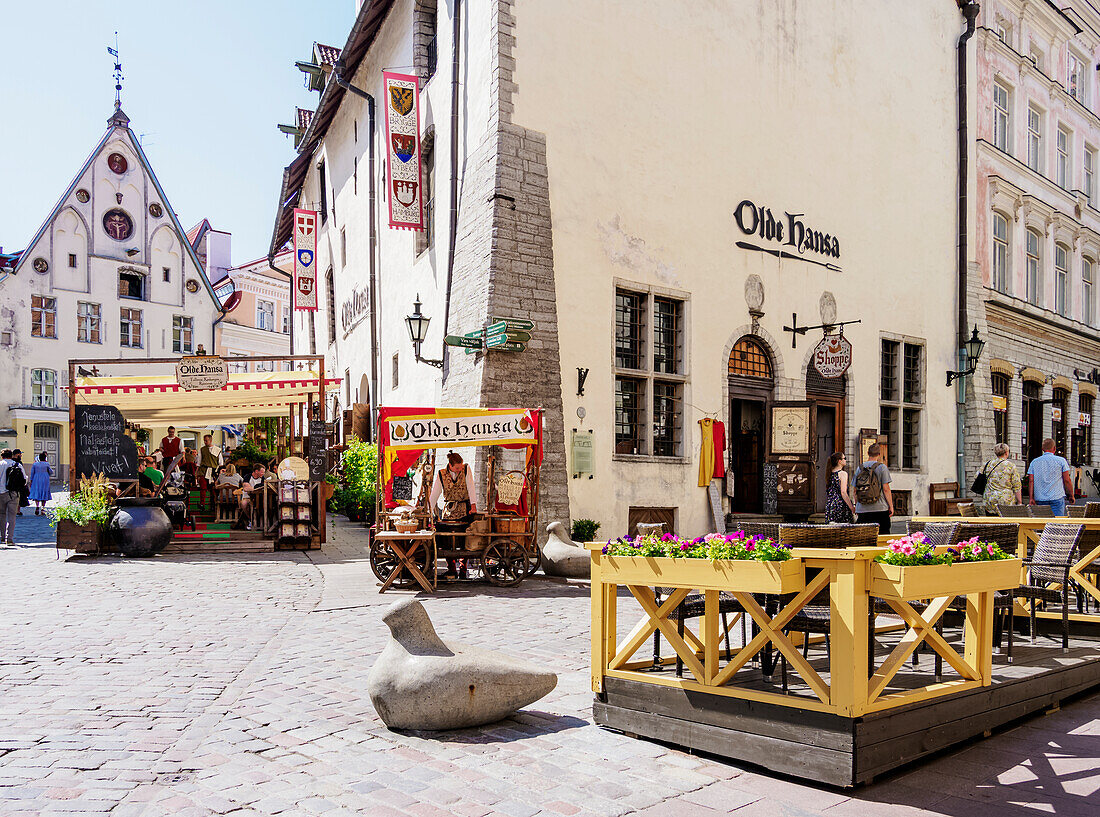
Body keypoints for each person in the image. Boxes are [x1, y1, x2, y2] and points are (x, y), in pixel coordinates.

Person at [429, 452, 478, 578]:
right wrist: (428, 509)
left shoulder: (466, 469)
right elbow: (435, 493)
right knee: (445, 539)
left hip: (464, 509)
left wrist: (473, 505)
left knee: (464, 539)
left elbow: (471, 487)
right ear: (450, 465)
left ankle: (463, 568)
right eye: (457, 467)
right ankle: (451, 568)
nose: (459, 469)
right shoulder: (442, 474)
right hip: (448, 511)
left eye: (460, 466)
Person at [851, 442, 893, 534]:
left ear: (868, 453)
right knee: (882, 536)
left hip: (862, 509)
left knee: (864, 537)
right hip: (880, 508)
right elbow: (886, 489)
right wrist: (891, 506)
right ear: (879, 454)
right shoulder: (882, 468)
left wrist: (857, 505)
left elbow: (854, 490)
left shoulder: (860, 468)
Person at [1027, 438, 1072, 516]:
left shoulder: (1034, 462)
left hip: (1040, 498)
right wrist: (1071, 495)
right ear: (1054, 448)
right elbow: (1067, 480)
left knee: (1042, 524)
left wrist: (1031, 497)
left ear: (1042, 449)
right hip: (1057, 497)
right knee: (1057, 524)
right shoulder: (1061, 461)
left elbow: (1031, 480)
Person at [978, 443, 1022, 515]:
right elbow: (1017, 485)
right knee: (1006, 523)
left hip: (989, 499)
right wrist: (1019, 502)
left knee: (991, 522)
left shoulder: (987, 464)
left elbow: (977, 476)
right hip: (1006, 500)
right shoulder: (1010, 466)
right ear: (1006, 452)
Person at [824, 452, 855, 523]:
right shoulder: (843, 474)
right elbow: (843, 492)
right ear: (839, 461)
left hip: (830, 505)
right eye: (844, 458)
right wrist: (851, 507)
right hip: (840, 505)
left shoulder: (829, 473)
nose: (846, 460)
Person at [0, 449, 22, 545]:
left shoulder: (0, 464)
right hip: (14, 493)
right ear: (11, 455)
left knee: (2, 515)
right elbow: (24, 479)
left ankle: (2, 537)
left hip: (1, 493)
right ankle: (10, 539)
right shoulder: (17, 465)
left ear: (2, 456)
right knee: (12, 516)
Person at [198, 434, 222, 512]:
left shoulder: (217, 450)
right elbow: (199, 462)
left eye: (206, 440)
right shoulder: (202, 449)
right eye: (204, 440)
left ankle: (212, 505)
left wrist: (219, 472)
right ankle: (202, 504)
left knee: (213, 489)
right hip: (203, 471)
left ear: (210, 440)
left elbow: (220, 463)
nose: (205, 442)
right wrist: (197, 473)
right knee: (203, 488)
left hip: (213, 472)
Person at [238, 464, 267, 530]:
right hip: (247, 497)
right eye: (262, 472)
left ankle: (258, 521)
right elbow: (245, 488)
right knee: (243, 504)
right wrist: (256, 488)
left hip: (258, 498)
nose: (263, 473)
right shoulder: (247, 477)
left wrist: (251, 488)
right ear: (256, 471)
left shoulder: (262, 478)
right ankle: (250, 519)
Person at [11, 450, 29, 515]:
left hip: (10, 483)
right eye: (20, 454)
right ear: (17, 454)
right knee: (18, 497)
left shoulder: (10, 461)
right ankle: (17, 510)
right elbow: (23, 474)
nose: (21, 455)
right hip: (18, 483)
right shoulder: (19, 463)